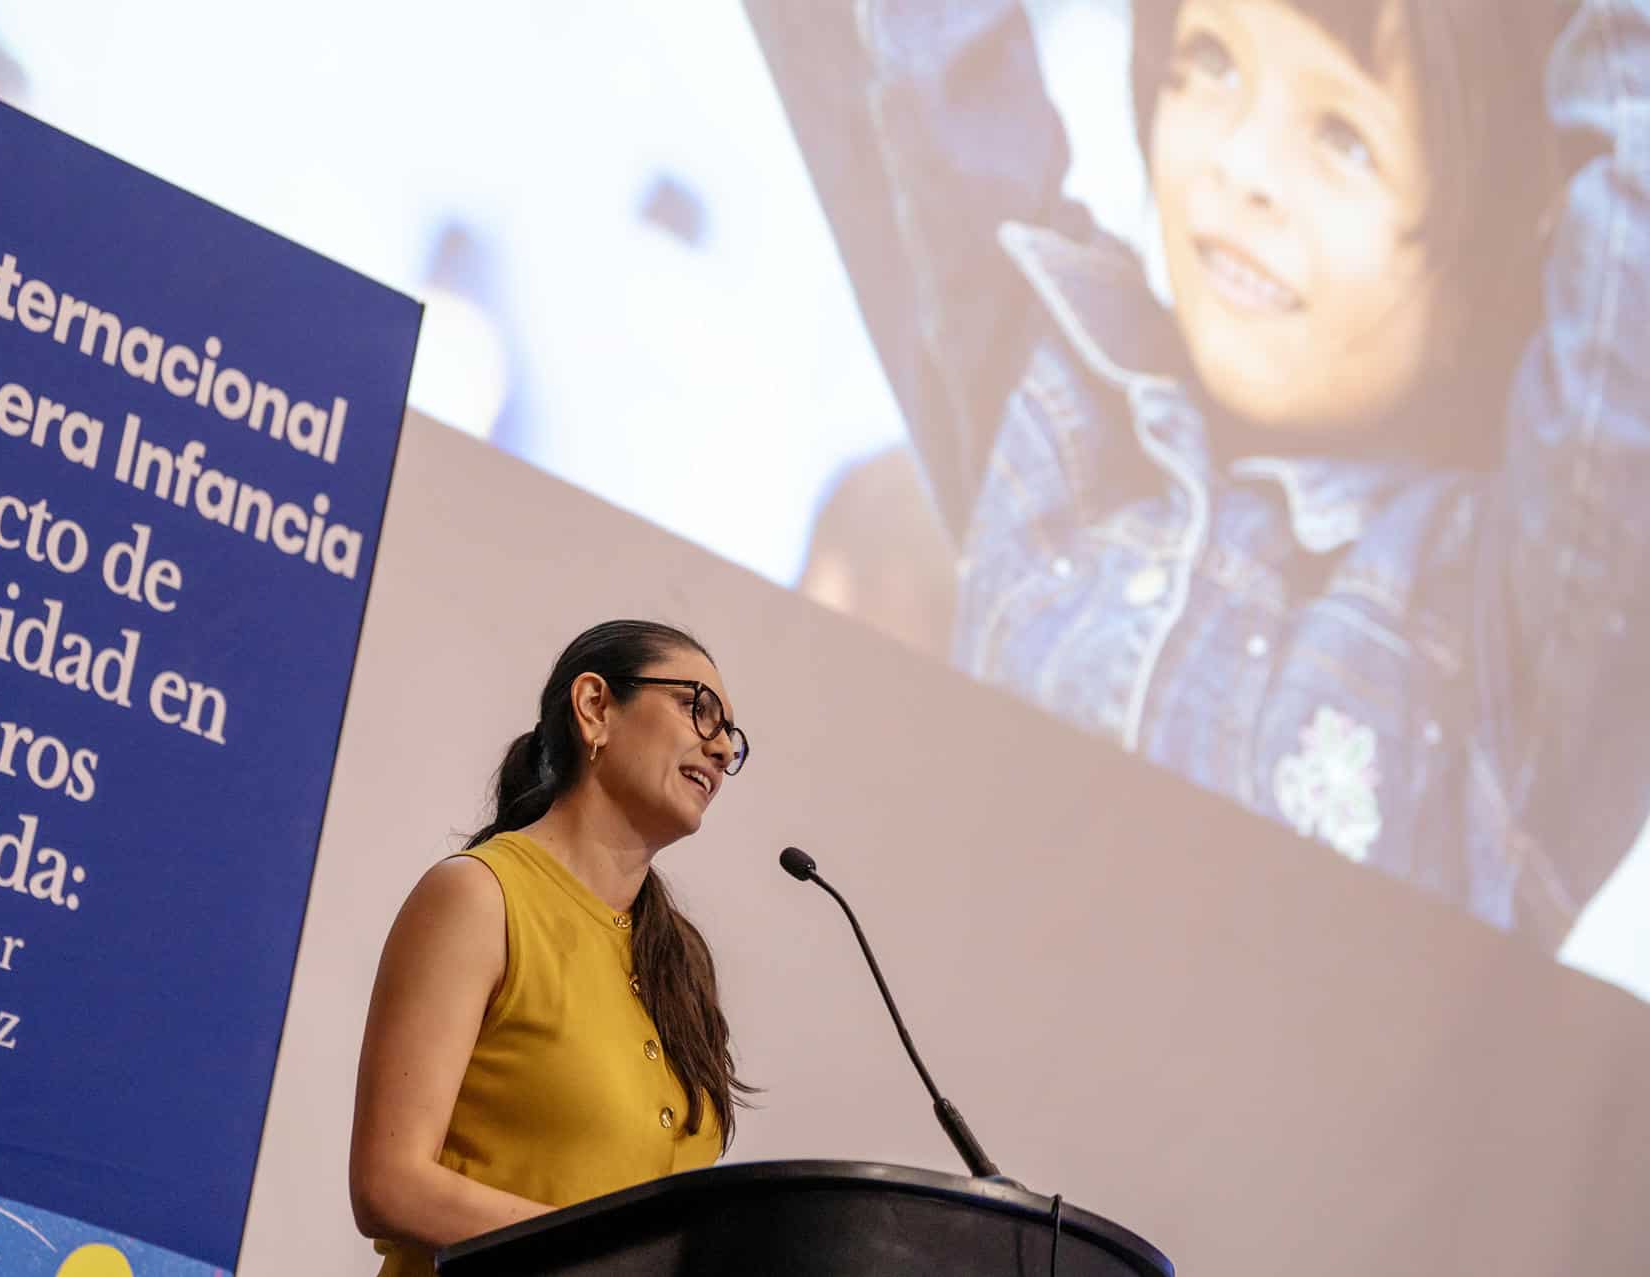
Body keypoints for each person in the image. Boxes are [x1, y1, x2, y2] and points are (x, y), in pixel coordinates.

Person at [758, 0, 1650, 948]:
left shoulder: (1524, 633)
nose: (1243, 168)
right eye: (1213, 59)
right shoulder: (1056, 424)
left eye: (1345, 137)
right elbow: (914, 48)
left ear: (1509, 234)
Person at [348, 620, 753, 1275]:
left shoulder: (679, 960)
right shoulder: (480, 897)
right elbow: (388, 1184)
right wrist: (629, 1253)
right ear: (595, 707)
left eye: (729, 735)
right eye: (696, 708)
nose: (717, 748)